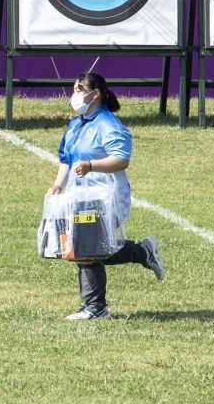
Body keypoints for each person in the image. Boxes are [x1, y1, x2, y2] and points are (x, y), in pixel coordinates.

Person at [50, 70, 165, 320]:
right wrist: (59, 183)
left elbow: (120, 160)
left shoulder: (108, 124)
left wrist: (92, 166)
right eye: (74, 89)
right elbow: (66, 158)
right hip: (79, 195)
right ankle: (142, 252)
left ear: (96, 94)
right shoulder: (76, 124)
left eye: (80, 89)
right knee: (85, 247)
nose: (75, 94)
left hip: (105, 195)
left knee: (86, 249)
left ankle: (96, 308)